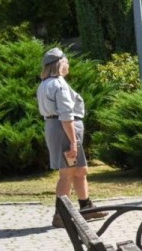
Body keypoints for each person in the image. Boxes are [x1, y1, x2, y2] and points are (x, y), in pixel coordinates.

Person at [37, 48, 104, 227]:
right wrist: (73, 142)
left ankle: (86, 207)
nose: (68, 65)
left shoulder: (45, 83)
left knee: (80, 170)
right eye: (66, 61)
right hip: (64, 130)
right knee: (66, 173)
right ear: (59, 64)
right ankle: (61, 215)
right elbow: (66, 116)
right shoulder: (58, 84)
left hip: (58, 128)